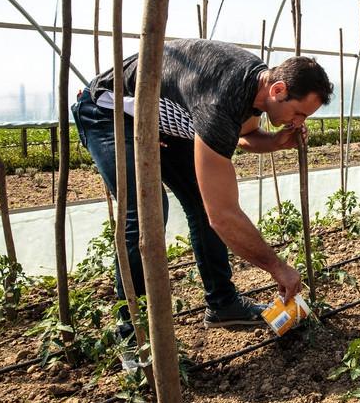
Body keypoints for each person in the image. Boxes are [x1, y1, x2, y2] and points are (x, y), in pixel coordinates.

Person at [72, 39, 333, 335]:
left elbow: (244, 136)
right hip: (111, 112)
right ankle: (133, 332)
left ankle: (223, 306)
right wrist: (277, 267)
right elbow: (222, 215)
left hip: (167, 120)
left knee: (198, 201)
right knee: (146, 212)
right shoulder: (220, 101)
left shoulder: (255, 86)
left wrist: (274, 142)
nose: (299, 122)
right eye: (299, 112)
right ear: (278, 90)